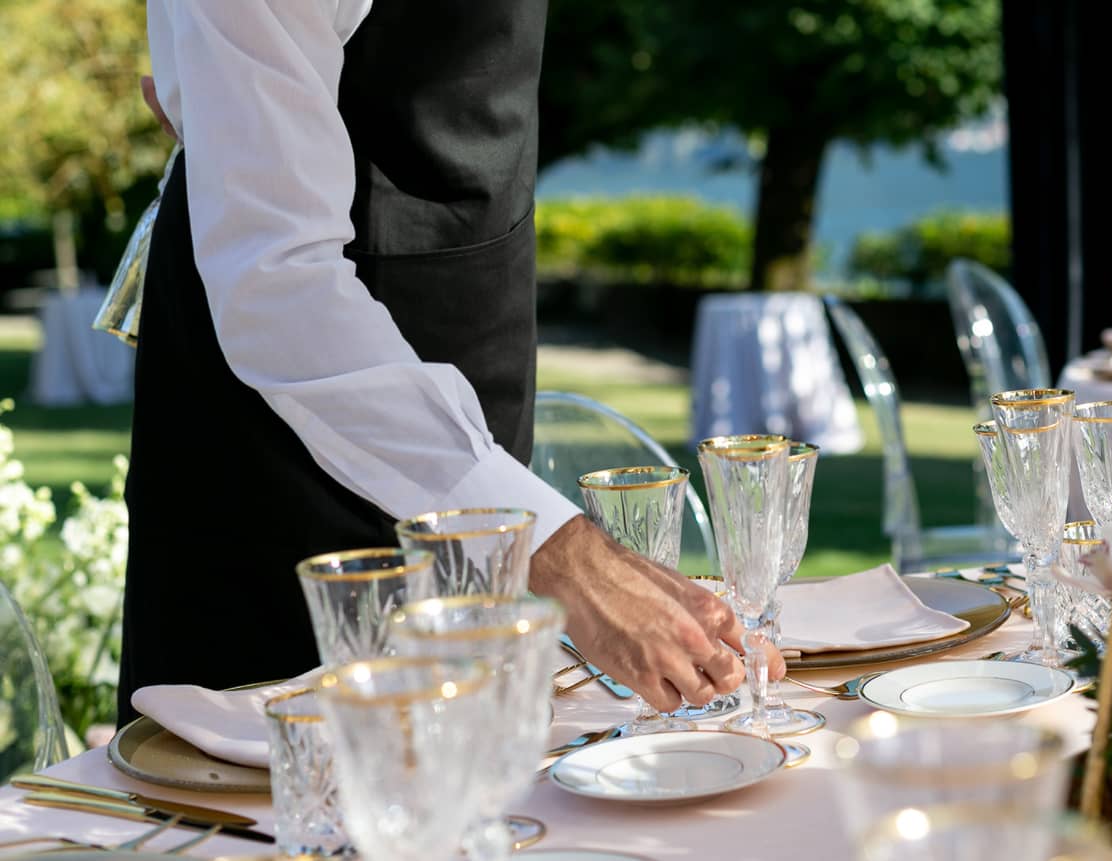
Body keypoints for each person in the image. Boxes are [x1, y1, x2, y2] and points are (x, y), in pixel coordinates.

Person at [118, 1, 780, 722]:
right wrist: (559, 552)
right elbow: (274, 281)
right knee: (299, 773)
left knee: (494, 756)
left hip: (480, 336)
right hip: (277, 450)